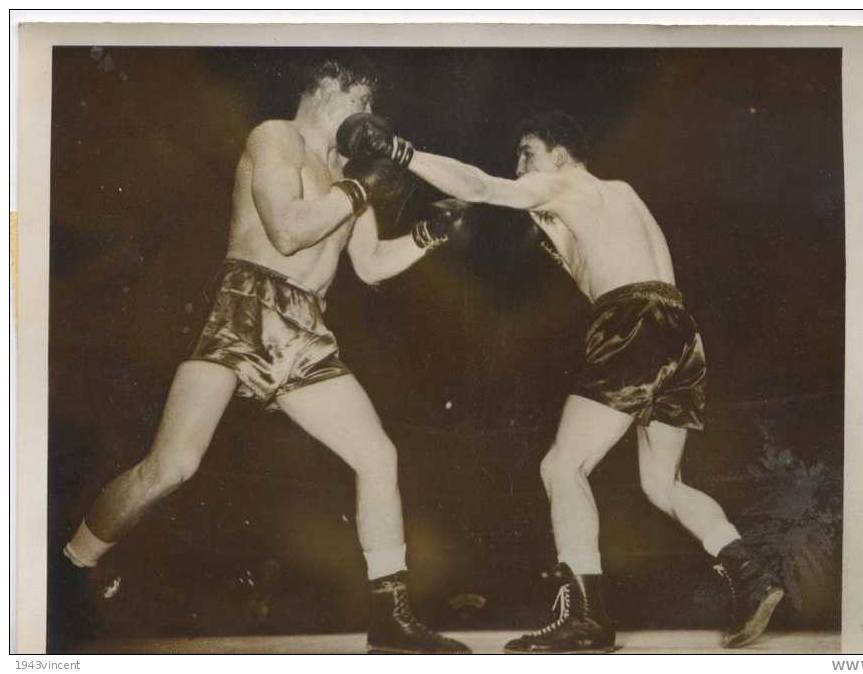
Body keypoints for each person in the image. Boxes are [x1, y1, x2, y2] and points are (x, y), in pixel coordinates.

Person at [61, 59, 469, 654]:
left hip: (306, 326)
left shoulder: (345, 170)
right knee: (171, 466)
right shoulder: (274, 136)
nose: (368, 120)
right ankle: (72, 566)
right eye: (362, 102)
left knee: (378, 454)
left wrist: (428, 237)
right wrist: (357, 190)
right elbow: (284, 231)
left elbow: (372, 264)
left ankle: (390, 616)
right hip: (246, 307)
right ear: (329, 89)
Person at [337, 110, 785, 653]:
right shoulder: (620, 197)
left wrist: (403, 154)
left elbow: (481, 186)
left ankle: (587, 619)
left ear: (561, 155)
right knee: (661, 484)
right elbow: (603, 274)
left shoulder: (567, 182)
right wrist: (558, 244)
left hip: (632, 325)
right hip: (680, 333)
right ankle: (750, 573)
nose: (519, 163)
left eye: (527, 151)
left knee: (562, 466)